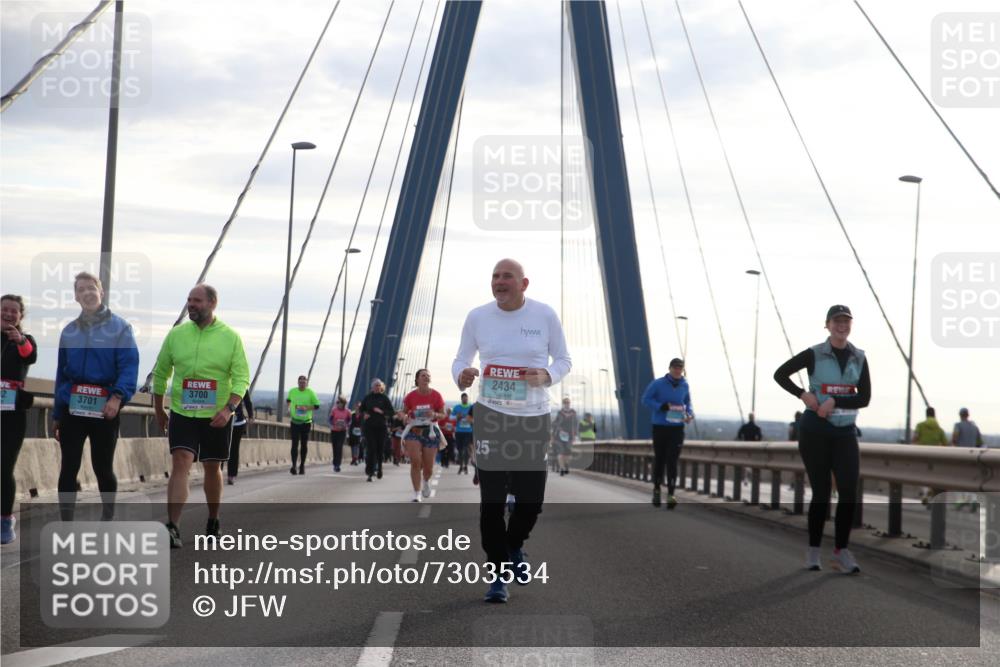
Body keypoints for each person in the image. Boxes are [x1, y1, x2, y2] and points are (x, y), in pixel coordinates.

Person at [453, 258, 571, 603]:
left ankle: (515, 545)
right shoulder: (477, 317)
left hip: (533, 417)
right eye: (495, 276)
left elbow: (564, 360)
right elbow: (461, 358)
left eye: (507, 277)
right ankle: (498, 575)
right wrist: (461, 373)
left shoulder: (544, 315)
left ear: (524, 283)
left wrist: (546, 376)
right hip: (491, 416)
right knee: (491, 503)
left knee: (531, 501)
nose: (499, 282)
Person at [774, 304, 870, 574]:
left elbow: (864, 398)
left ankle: (841, 551)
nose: (842, 326)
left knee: (849, 493)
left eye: (846, 321)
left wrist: (834, 400)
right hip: (815, 431)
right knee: (822, 493)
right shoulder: (815, 354)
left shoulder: (859, 357)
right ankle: (814, 550)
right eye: (837, 321)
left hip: (845, 432)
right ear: (827, 325)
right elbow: (780, 374)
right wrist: (802, 394)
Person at [153, 283, 249, 547]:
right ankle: (173, 526)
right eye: (188, 300)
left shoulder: (230, 337)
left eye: (196, 300)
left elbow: (241, 379)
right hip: (183, 412)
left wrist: (229, 409)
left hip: (216, 414)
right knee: (181, 462)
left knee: (212, 467)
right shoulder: (177, 335)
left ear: (212, 303)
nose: (191, 305)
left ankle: (213, 518)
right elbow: (161, 373)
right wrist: (159, 408)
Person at [54, 272, 139, 521]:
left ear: (101, 292)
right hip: (73, 407)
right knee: (68, 466)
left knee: (102, 467)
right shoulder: (69, 331)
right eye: (82, 289)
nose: (87, 293)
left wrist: (117, 398)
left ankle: (108, 517)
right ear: (76, 297)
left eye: (92, 288)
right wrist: (58, 413)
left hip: (106, 407)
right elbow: (61, 373)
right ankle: (66, 523)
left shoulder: (121, 328)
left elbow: (129, 367)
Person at [1, 295, 38, 544]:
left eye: (14, 311)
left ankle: (5, 520)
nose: (8, 314)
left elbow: (29, 355)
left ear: (21, 316)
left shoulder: (25, 341)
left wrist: (20, 340)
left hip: (12, 415)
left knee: (4, 467)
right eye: (4, 309)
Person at [641, 358, 693, 510]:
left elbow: (688, 403)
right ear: (670, 368)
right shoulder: (658, 384)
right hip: (660, 427)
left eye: (680, 368)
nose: (677, 371)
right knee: (660, 460)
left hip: (677, 428)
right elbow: (645, 399)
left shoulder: (685, 385)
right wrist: (660, 406)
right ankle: (657, 490)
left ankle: (671, 495)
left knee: (672, 461)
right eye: (675, 368)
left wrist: (689, 414)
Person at [401, 369, 447, 502]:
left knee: (428, 467)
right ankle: (417, 493)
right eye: (423, 375)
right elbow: (403, 413)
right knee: (415, 462)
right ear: (417, 380)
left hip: (430, 432)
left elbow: (443, 414)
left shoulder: (436, 396)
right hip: (413, 431)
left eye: (428, 376)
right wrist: (404, 417)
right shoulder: (410, 396)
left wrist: (435, 415)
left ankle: (426, 481)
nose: (426, 377)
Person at [360, 379, 394, 482]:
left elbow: (391, 412)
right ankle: (370, 472)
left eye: (379, 386)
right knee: (371, 449)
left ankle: (379, 467)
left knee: (379, 449)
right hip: (369, 427)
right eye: (375, 385)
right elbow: (361, 409)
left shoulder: (384, 398)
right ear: (372, 387)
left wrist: (382, 411)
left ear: (382, 387)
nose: (377, 387)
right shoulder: (367, 398)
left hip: (381, 427)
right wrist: (364, 414)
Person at [286, 375, 320, 475]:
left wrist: (307, 408)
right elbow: (288, 400)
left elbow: (317, 406)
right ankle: (293, 466)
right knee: (294, 444)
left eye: (304, 382)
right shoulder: (292, 391)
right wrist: (288, 408)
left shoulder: (311, 393)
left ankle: (302, 465)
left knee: (304, 445)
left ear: (307, 383)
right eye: (300, 382)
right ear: (298, 383)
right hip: (295, 421)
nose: (302, 384)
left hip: (306, 422)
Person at [226, 391, 254, 485]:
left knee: (234, 449)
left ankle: (232, 475)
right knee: (221, 447)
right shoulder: (221, 381)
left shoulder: (240, 384)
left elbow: (247, 401)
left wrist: (251, 416)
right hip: (222, 421)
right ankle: (216, 472)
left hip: (238, 423)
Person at [551, 397, 578, 476]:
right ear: (563, 404)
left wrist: (575, 435)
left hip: (570, 435)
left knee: (568, 453)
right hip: (560, 435)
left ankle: (566, 465)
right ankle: (562, 468)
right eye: (565, 402)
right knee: (560, 452)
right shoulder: (560, 413)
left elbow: (575, 424)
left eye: (568, 402)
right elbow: (555, 423)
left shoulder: (573, 413)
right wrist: (558, 429)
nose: (567, 404)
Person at [452, 393, 474, 474]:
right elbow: (451, 417)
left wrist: (471, 420)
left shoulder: (471, 407)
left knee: (465, 449)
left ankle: (466, 466)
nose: (465, 399)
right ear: (461, 399)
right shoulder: (457, 407)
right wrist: (457, 417)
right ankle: (461, 466)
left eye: (466, 398)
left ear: (467, 399)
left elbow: (477, 416)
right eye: (464, 398)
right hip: (459, 432)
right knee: (460, 450)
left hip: (468, 431)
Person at [328, 396, 351, 472]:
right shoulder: (334, 410)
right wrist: (333, 424)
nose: (338, 404)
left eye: (340, 403)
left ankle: (338, 464)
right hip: (334, 431)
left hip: (342, 431)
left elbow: (350, 421)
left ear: (343, 403)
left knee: (339, 447)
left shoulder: (347, 412)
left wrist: (346, 425)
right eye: (337, 403)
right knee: (334, 447)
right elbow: (330, 419)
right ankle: (335, 463)